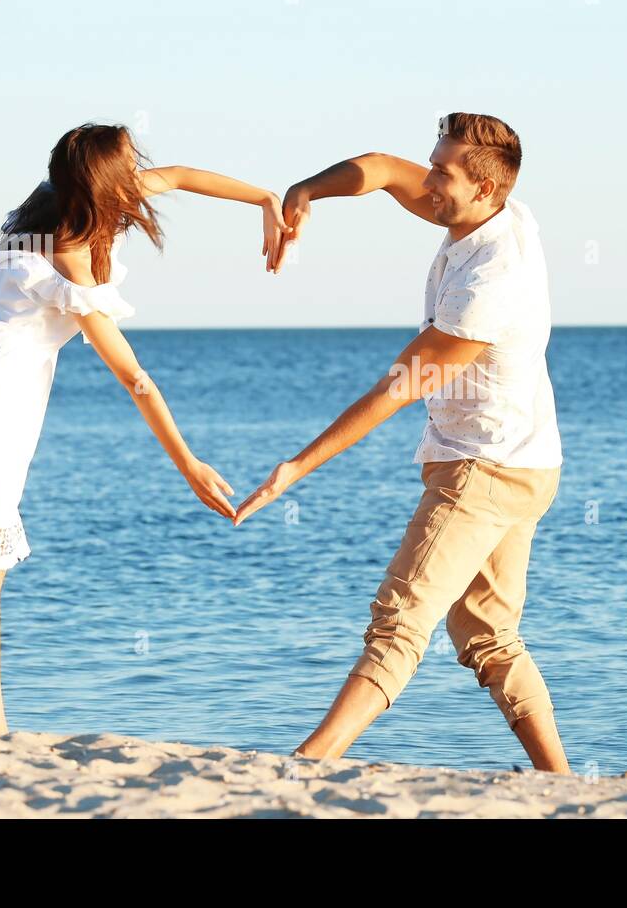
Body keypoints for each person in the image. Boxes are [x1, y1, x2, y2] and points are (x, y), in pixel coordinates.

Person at [0, 122, 287, 734]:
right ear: (106, 183)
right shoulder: (69, 249)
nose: (142, 170)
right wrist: (187, 462)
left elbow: (187, 176)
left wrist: (267, 199)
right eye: (131, 163)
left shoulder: (57, 203)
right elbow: (133, 374)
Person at [233, 112, 569, 772]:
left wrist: (297, 466)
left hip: (486, 469)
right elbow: (384, 169)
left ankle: (307, 765)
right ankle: (561, 784)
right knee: (488, 634)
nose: (428, 183)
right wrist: (306, 191)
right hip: (527, 460)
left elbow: (400, 386)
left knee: (400, 621)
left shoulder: (489, 280)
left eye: (441, 173)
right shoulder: (493, 212)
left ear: (483, 188)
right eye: (435, 164)